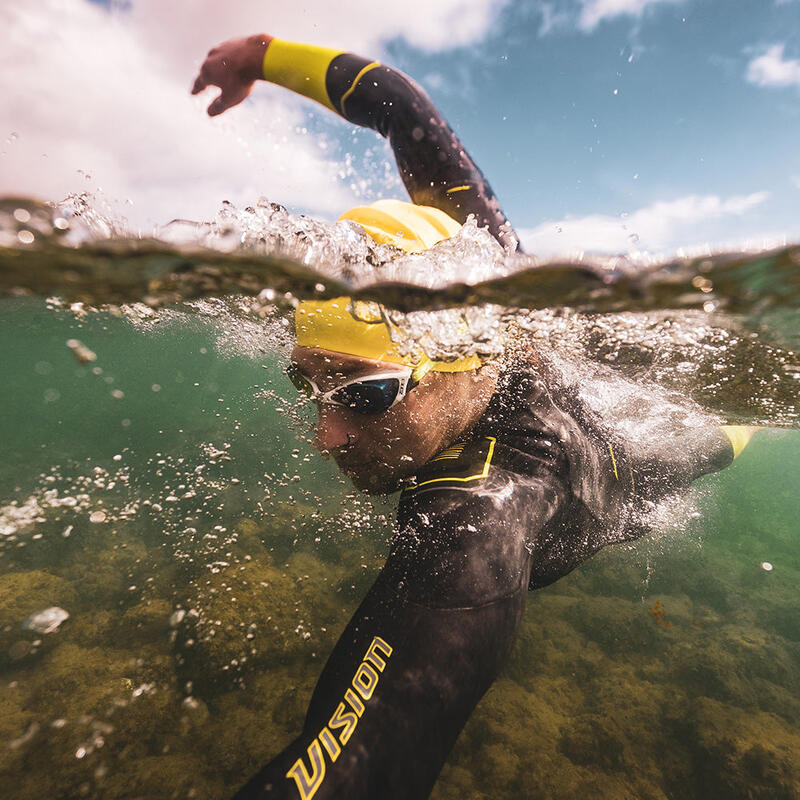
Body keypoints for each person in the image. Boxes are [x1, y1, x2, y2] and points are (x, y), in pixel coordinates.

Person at [191, 35, 757, 800]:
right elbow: (397, 104)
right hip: (577, 417)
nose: (324, 435)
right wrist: (262, 53)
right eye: (309, 387)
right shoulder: (479, 266)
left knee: (716, 439)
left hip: (628, 478)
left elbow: (365, 755)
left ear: (465, 360)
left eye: (362, 394)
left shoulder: (482, 513)